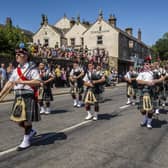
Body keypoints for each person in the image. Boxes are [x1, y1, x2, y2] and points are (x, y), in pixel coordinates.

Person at [0, 44, 41, 150]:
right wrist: (1, 94)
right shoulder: (17, 69)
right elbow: (9, 82)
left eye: (19, 54)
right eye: (16, 54)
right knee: (17, 120)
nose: (17, 55)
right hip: (18, 97)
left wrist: (23, 81)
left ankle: (26, 140)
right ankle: (31, 131)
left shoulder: (32, 67)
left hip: (28, 95)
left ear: (26, 56)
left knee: (26, 120)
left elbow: (38, 82)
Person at [136, 59, 164, 129]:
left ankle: (149, 123)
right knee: (142, 110)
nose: (147, 65)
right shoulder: (141, 73)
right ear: (143, 66)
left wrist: (155, 81)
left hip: (151, 93)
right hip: (143, 93)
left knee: (151, 110)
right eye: (145, 64)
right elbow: (138, 81)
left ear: (150, 65)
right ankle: (145, 118)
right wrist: (147, 82)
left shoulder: (153, 73)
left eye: (148, 64)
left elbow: (162, 78)